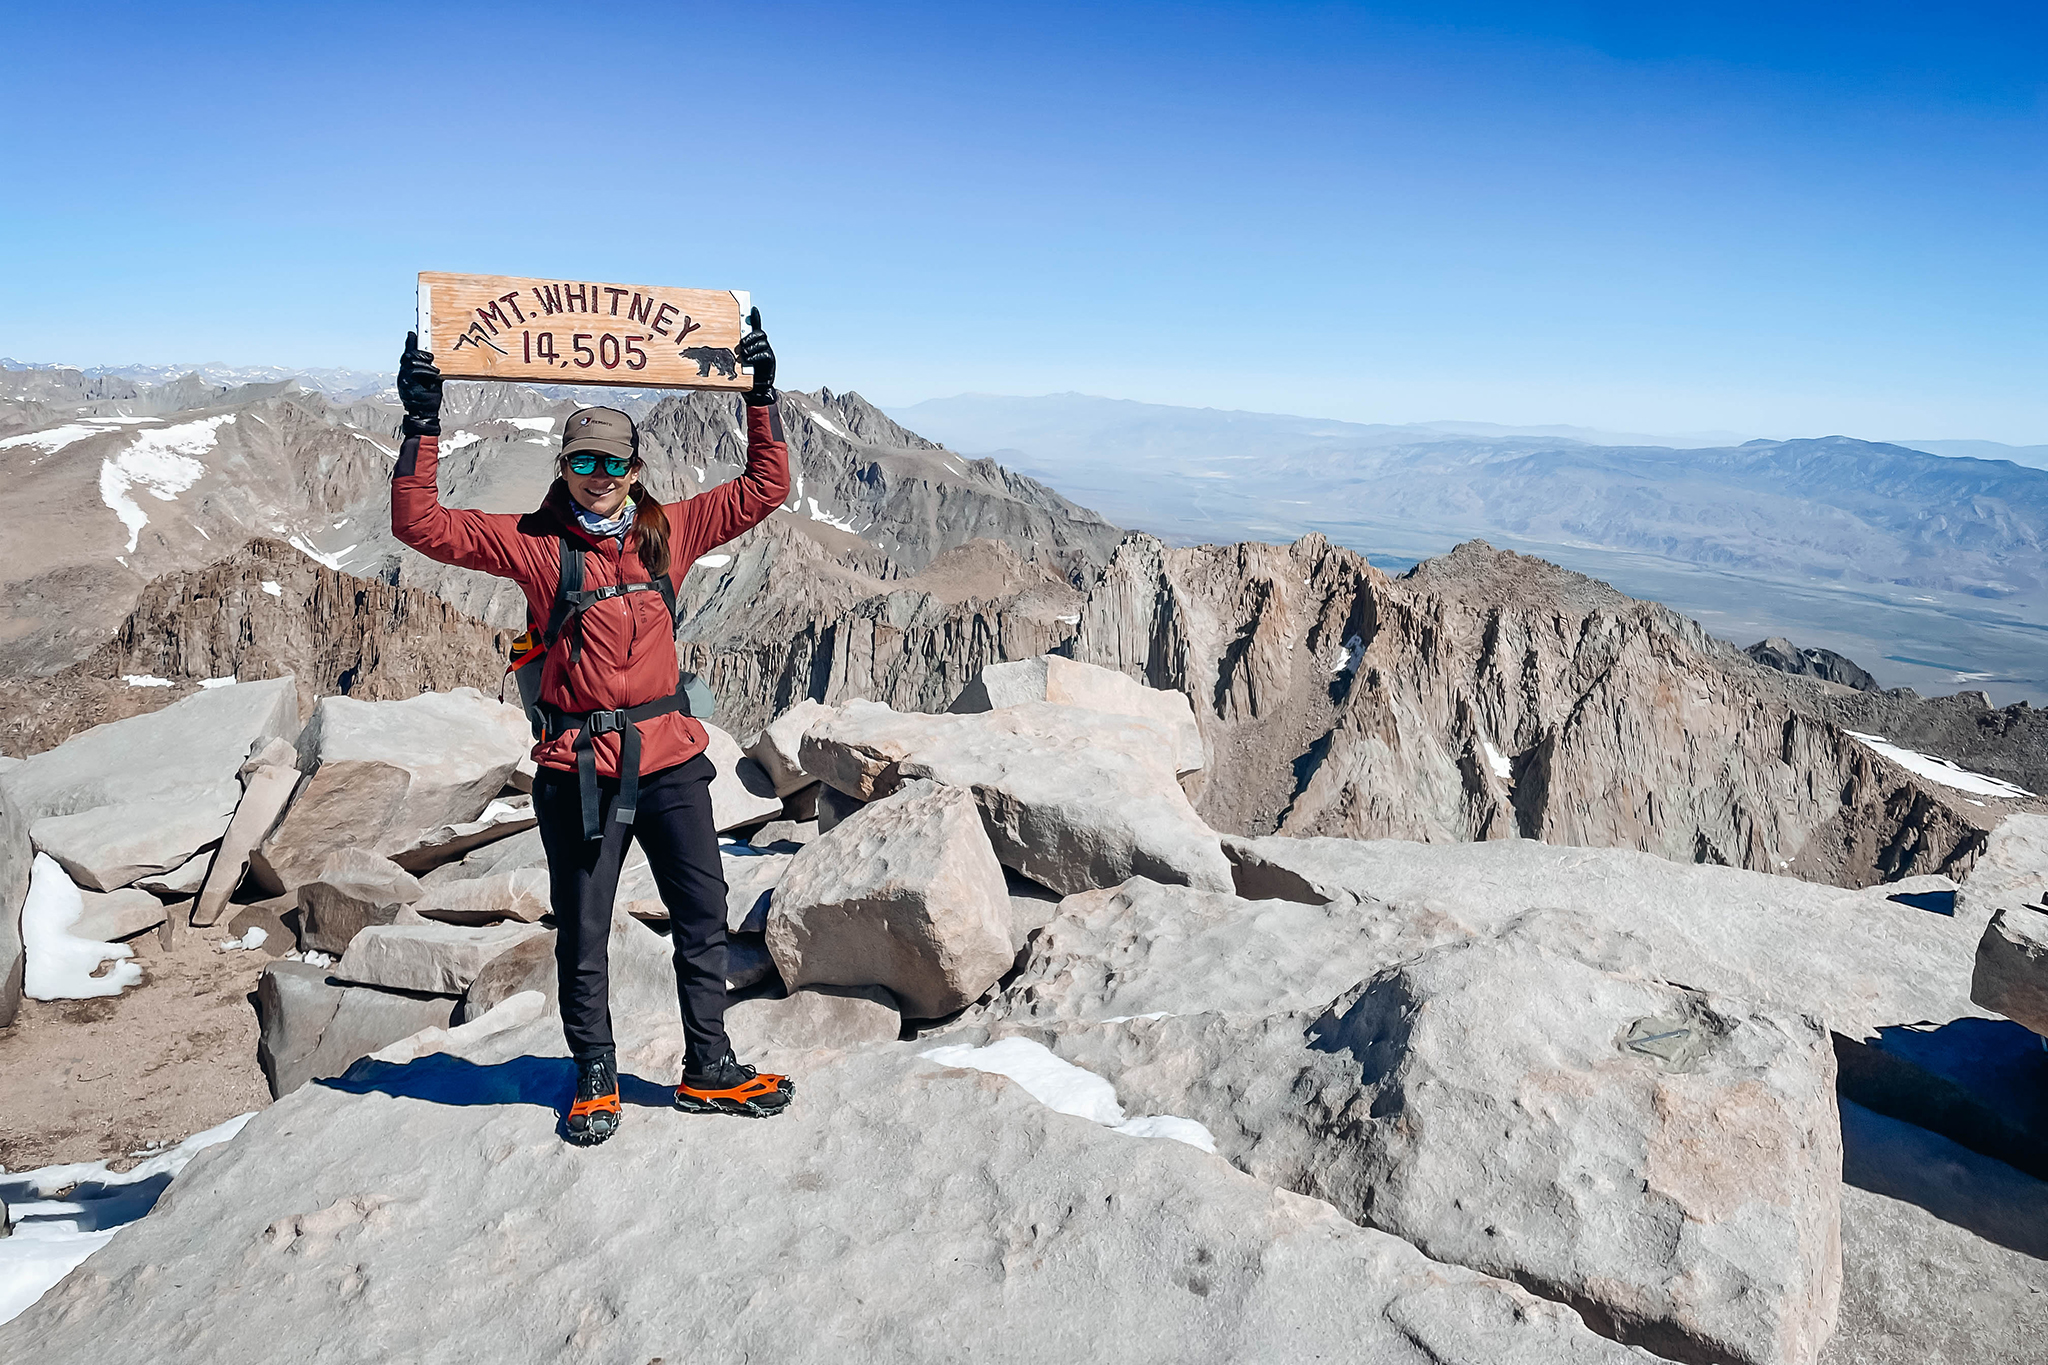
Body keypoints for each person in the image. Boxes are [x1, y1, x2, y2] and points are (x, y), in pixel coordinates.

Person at [390, 312, 793, 1145]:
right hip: (578, 768)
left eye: (612, 462)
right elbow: (421, 525)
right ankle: (595, 1074)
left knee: (702, 914)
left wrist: (762, 395)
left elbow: (764, 488)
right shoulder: (537, 546)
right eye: (582, 460)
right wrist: (421, 424)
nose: (598, 475)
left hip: (671, 758)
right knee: (584, 926)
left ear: (635, 469)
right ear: (564, 466)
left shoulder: (668, 531)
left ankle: (708, 1066)